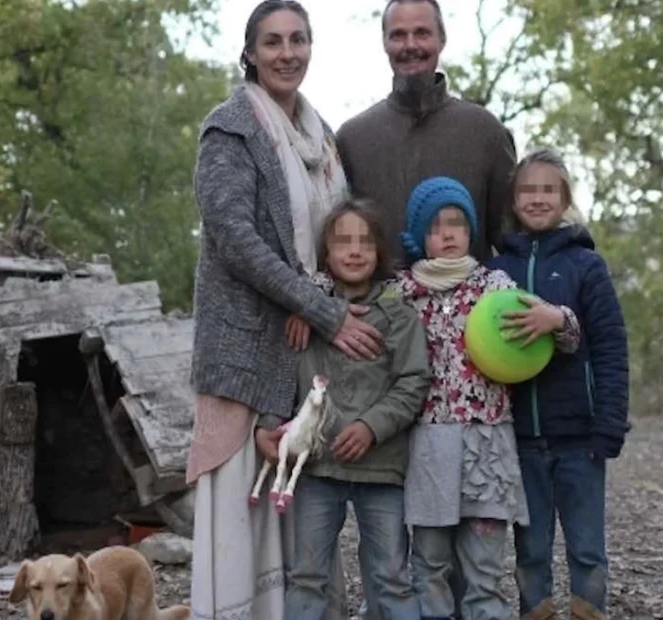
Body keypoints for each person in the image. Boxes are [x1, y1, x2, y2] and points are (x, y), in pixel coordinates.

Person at [187, 2, 382, 618]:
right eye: (272, 42)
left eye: (298, 39)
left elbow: (331, 240)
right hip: (244, 347)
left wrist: (318, 299)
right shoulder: (231, 128)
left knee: (302, 506)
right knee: (243, 507)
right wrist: (319, 308)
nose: (286, 52)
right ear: (250, 52)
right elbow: (235, 239)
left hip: (301, 346)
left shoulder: (321, 136)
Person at [392, 176, 580, 620]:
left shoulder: (494, 286)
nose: (449, 233)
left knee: (484, 566)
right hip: (427, 443)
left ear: (470, 230)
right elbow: (352, 315)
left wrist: (558, 318)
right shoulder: (400, 293)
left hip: (487, 445)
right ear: (421, 235)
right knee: (430, 564)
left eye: (457, 223)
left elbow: (563, 335)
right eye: (437, 226)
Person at [488, 148, 630, 620]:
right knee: (530, 550)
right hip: (521, 440)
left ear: (565, 196)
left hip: (580, 436)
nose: (537, 198)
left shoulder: (586, 266)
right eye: (528, 189)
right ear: (512, 199)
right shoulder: (495, 271)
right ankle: (536, 611)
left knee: (587, 547)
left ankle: (590, 609)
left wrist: (609, 424)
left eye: (548, 189)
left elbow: (610, 347)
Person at [285, 198, 430, 620]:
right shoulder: (305, 316)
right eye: (342, 241)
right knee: (307, 576)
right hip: (316, 467)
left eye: (365, 241)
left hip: (381, 468)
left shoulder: (399, 315)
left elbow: (414, 381)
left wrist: (371, 426)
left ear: (380, 252)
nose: (354, 250)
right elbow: (285, 376)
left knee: (391, 577)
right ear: (326, 253)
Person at [335, 0, 516, 267]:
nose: (410, 45)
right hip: (377, 306)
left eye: (422, 33)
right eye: (398, 35)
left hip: (471, 305)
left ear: (442, 40)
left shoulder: (486, 133)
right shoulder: (352, 140)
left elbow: (515, 243)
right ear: (385, 43)